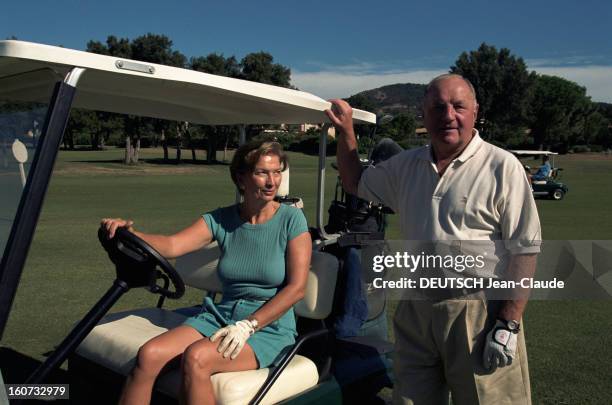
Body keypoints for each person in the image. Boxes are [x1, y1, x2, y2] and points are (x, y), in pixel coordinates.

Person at [326, 73, 541, 405]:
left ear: (475, 111)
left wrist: (508, 322)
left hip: (477, 311)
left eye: (458, 106)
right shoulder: (405, 166)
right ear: (424, 114)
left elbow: (524, 249)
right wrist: (346, 132)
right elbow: (355, 181)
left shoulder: (502, 166)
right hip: (416, 309)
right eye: (438, 107)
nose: (448, 116)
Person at [101, 140, 311, 405]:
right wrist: (129, 234)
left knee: (197, 357)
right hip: (221, 316)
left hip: (267, 327)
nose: (272, 181)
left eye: (277, 172)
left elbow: (297, 288)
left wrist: (249, 325)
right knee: (149, 354)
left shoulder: (291, 220)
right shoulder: (221, 219)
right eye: (262, 172)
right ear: (241, 178)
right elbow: (174, 245)